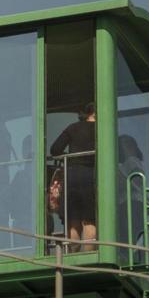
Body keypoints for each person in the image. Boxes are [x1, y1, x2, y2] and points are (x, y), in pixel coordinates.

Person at [49, 102, 97, 252]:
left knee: (73, 220)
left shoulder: (73, 128)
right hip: (91, 175)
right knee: (89, 220)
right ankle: (88, 257)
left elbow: (55, 149)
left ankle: (73, 256)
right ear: (95, 112)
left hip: (71, 175)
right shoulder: (102, 129)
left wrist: (68, 158)